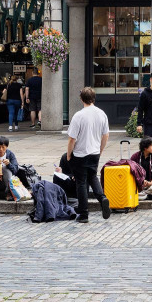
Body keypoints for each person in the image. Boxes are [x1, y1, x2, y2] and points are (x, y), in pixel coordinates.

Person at [66, 87, 111, 223]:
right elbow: (106, 135)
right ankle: (102, 198)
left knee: (81, 183)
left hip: (80, 154)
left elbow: (72, 139)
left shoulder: (78, 116)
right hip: (95, 152)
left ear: (81, 99)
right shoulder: (101, 114)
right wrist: (100, 150)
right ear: (94, 98)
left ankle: (84, 213)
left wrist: (69, 154)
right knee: (93, 177)